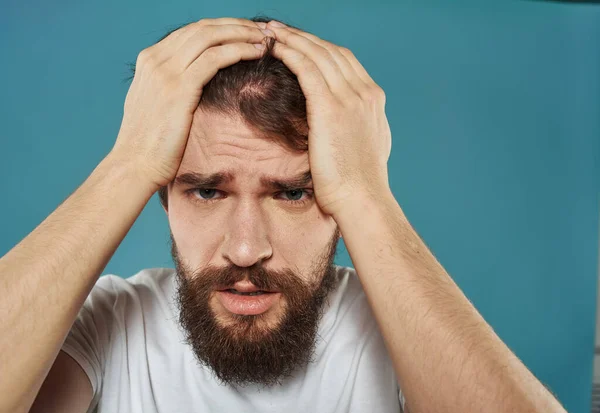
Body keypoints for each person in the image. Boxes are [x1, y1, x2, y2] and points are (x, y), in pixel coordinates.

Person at [0, 15, 566, 413]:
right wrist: (126, 164)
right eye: (207, 191)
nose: (246, 250)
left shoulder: (403, 336)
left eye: (293, 194)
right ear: (161, 194)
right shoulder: (104, 325)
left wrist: (368, 194)